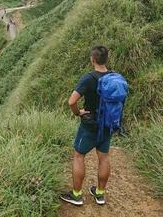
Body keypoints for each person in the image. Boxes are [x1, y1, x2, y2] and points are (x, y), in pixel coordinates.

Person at [60, 45, 122, 207]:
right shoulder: (115, 77)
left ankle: (77, 195)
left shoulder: (89, 78)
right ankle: (100, 194)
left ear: (92, 59)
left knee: (79, 156)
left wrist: (77, 112)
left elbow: (71, 101)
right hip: (107, 124)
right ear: (106, 59)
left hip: (90, 125)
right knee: (104, 157)